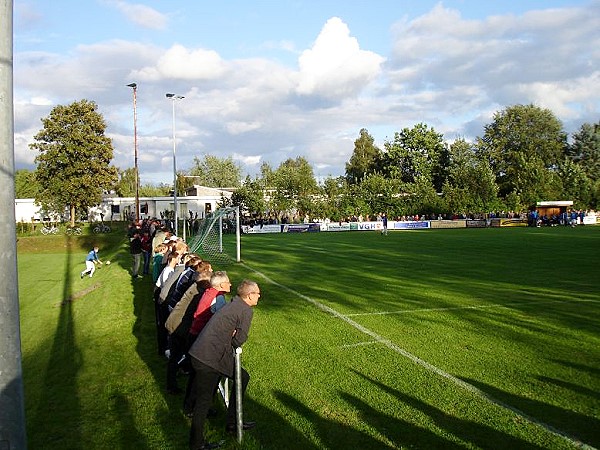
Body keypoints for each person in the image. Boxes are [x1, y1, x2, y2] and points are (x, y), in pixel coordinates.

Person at [188, 279, 261, 450]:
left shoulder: (234, 303)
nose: (259, 296)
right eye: (257, 293)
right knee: (204, 402)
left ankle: (233, 421)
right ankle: (196, 444)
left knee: (242, 377)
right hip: (208, 359)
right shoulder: (245, 311)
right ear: (249, 296)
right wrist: (234, 336)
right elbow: (239, 340)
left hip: (202, 353)